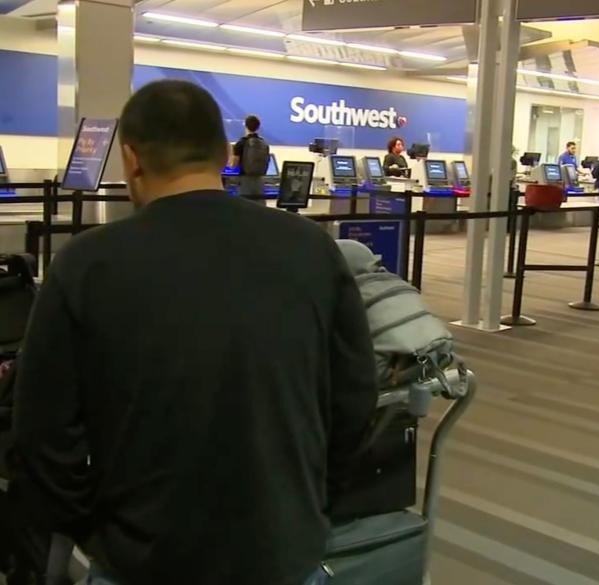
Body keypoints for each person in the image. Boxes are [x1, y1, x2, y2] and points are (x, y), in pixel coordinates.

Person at [12, 80, 377, 585]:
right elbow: (355, 399)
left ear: (132, 158)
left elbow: (42, 435)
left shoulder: (86, 264)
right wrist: (308, 507)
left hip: (142, 560)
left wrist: (94, 531)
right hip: (282, 554)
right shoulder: (310, 248)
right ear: (227, 155)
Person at [231, 114, 270, 204]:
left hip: (245, 180)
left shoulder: (241, 143)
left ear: (245, 125)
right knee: (260, 206)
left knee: (245, 206)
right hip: (260, 179)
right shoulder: (264, 143)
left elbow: (234, 164)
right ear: (258, 127)